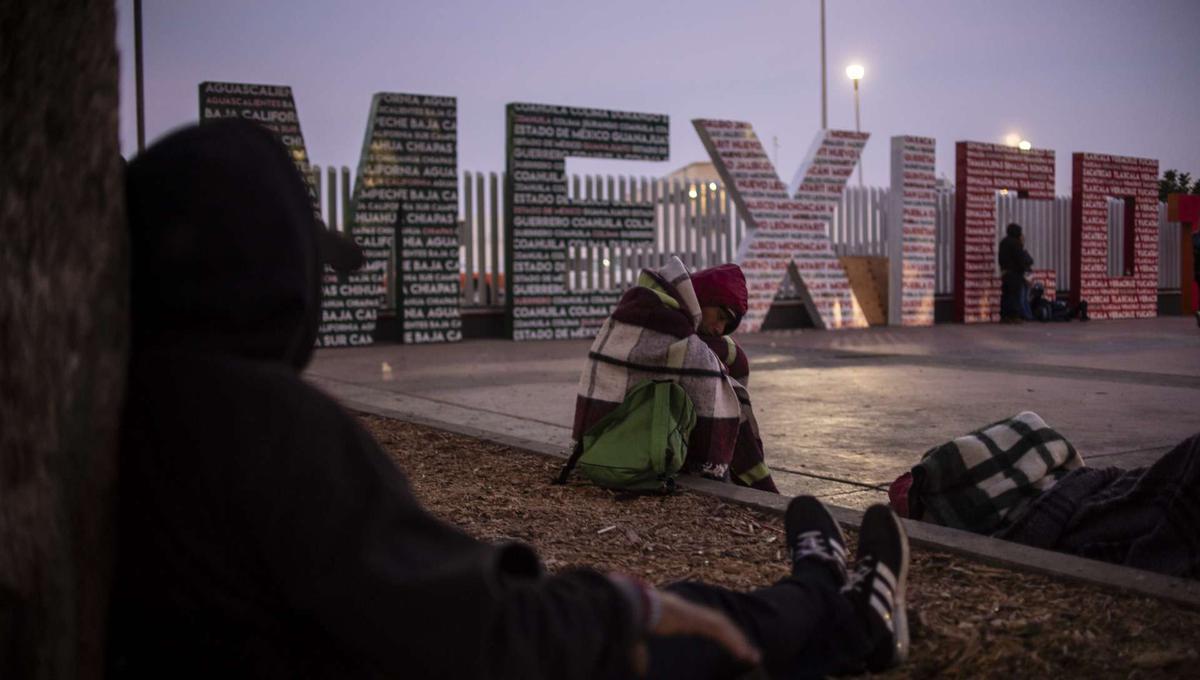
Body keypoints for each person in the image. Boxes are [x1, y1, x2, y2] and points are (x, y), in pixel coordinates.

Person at [109, 119, 912, 679]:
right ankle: (839, 606)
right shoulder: (256, 430)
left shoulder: (128, 416)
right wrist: (620, 613)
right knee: (679, 623)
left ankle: (821, 595)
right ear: (264, 279)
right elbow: (481, 635)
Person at [573, 258, 777, 492]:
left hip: (594, 442)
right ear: (703, 299)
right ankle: (757, 483)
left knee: (731, 360)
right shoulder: (659, 314)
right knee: (725, 388)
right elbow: (704, 375)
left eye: (726, 326)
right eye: (720, 316)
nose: (718, 329)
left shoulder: (658, 306)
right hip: (616, 443)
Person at [997, 222, 1033, 323]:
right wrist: (1024, 270)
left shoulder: (1003, 242)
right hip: (1015, 273)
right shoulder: (1016, 243)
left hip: (1005, 272)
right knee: (1015, 296)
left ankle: (1004, 316)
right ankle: (1014, 316)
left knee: (1006, 295)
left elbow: (1000, 258)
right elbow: (1020, 259)